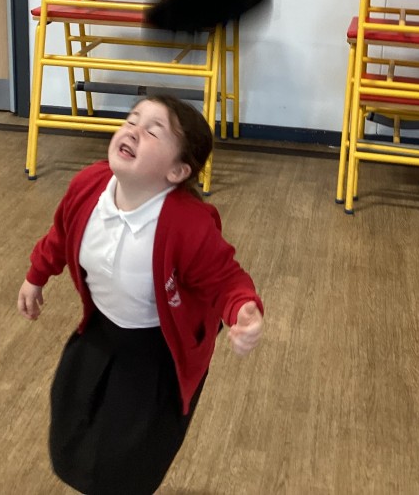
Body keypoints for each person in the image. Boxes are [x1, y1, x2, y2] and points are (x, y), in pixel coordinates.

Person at [17, 95, 264, 495]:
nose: (133, 130)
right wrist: (36, 276)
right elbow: (61, 234)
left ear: (177, 171)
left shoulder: (187, 223)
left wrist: (243, 310)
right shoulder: (88, 186)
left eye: (153, 131)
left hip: (157, 352)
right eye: (132, 119)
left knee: (130, 452)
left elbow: (225, 279)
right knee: (72, 417)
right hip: (100, 332)